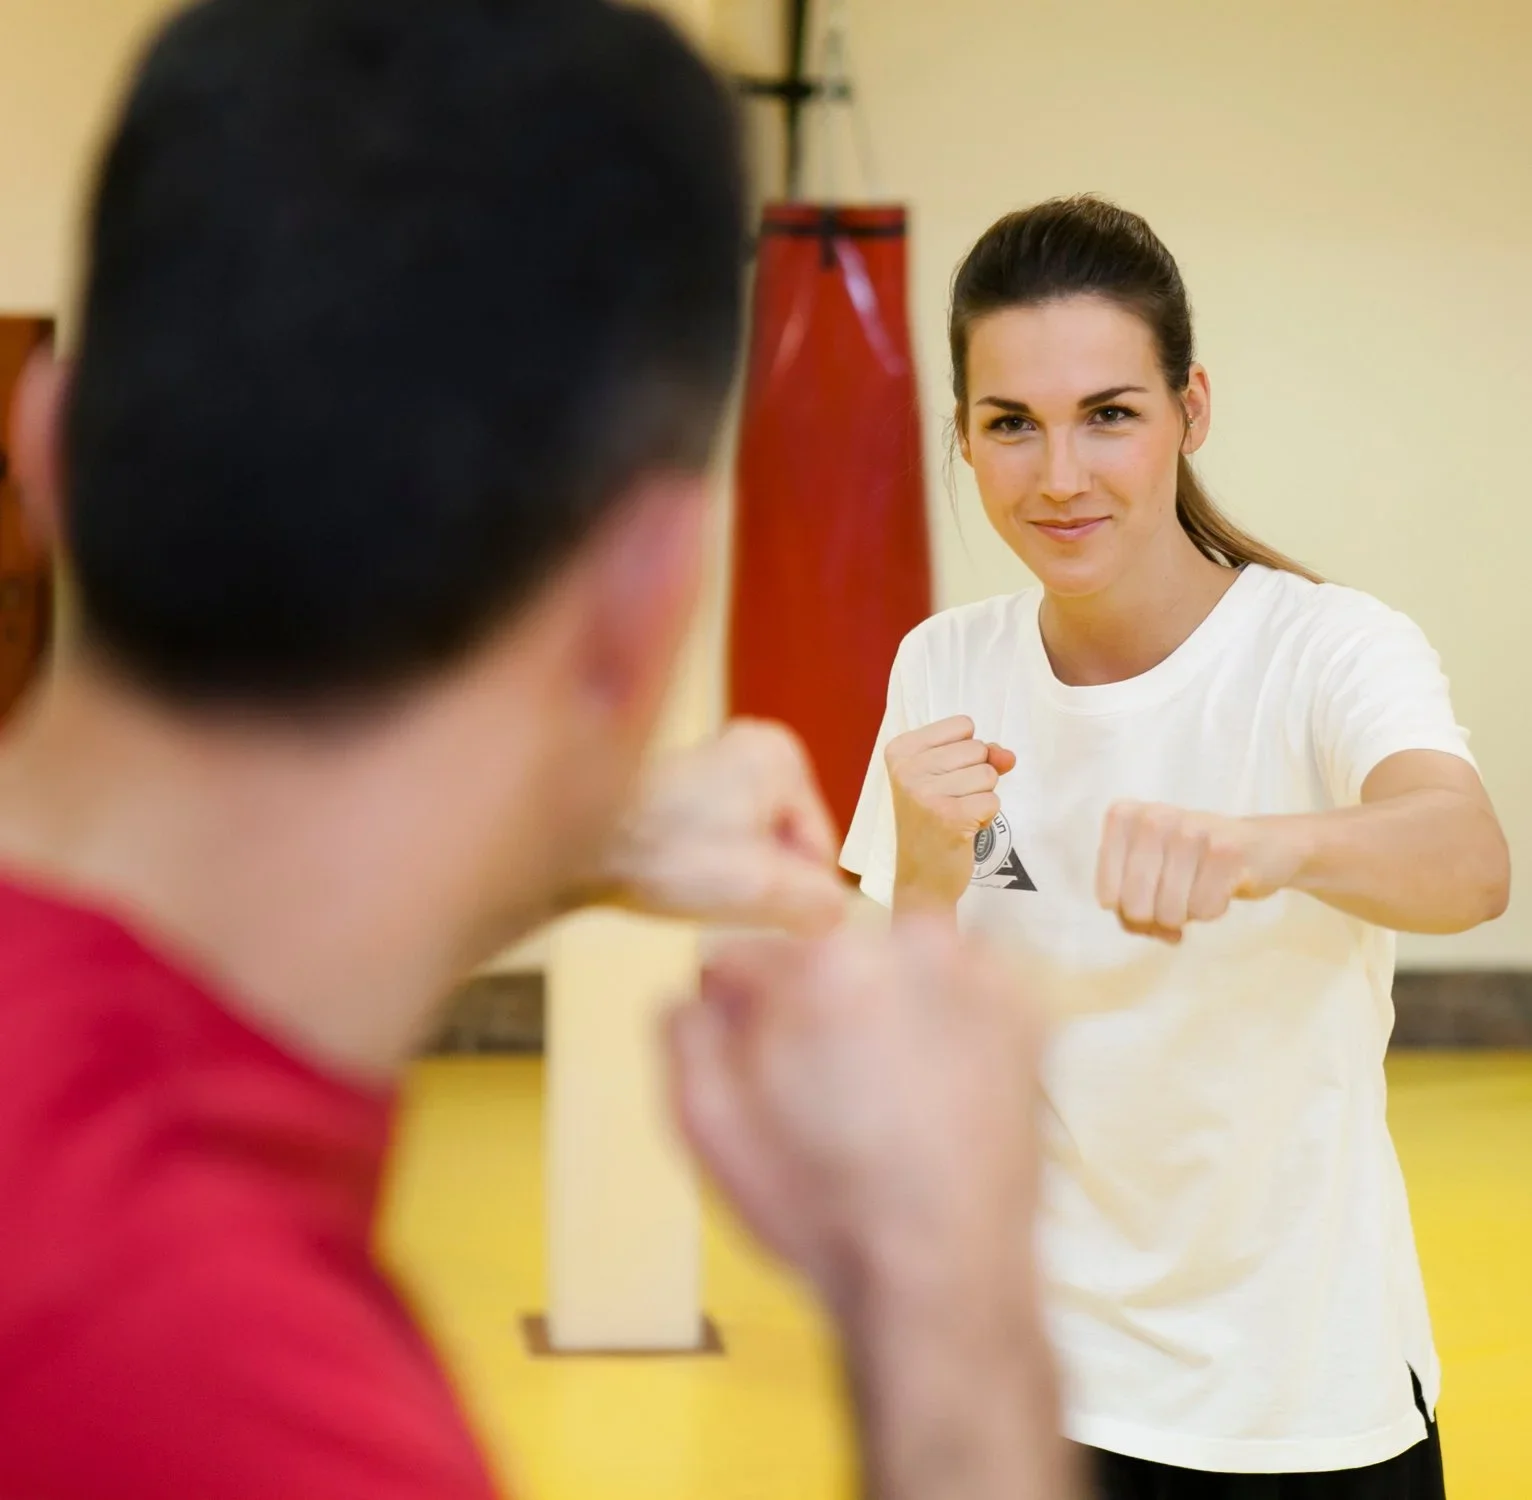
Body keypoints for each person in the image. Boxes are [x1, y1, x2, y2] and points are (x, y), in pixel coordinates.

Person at [0, 2, 1076, 1497]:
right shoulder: (227, 1400)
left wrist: (574, 845)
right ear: (651, 596)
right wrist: (944, 1300)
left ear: (45, 444)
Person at [842, 195, 1511, 1499]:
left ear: (1189, 410)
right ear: (963, 439)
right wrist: (924, 867)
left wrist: (1269, 845)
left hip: (1299, 1407)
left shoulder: (1326, 648)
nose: (1060, 476)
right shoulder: (946, 666)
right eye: (1011, 426)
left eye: (1111, 413)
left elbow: (1470, 862)